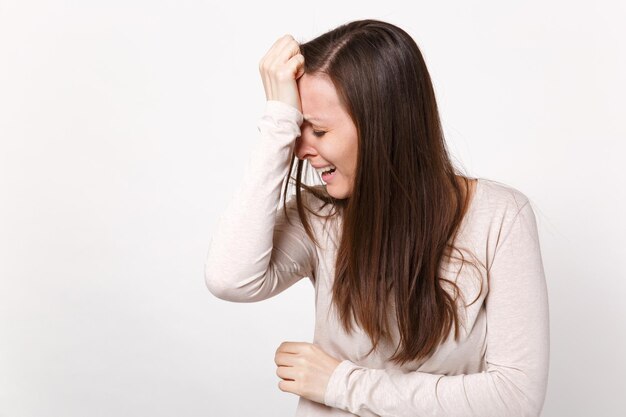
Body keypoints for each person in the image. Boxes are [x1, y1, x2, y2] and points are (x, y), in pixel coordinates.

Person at [205, 19, 550, 417]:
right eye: (298, 128)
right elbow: (230, 279)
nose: (300, 149)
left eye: (317, 130)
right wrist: (278, 121)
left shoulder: (500, 217)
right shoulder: (318, 214)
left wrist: (339, 383)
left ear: (384, 127)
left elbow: (515, 400)